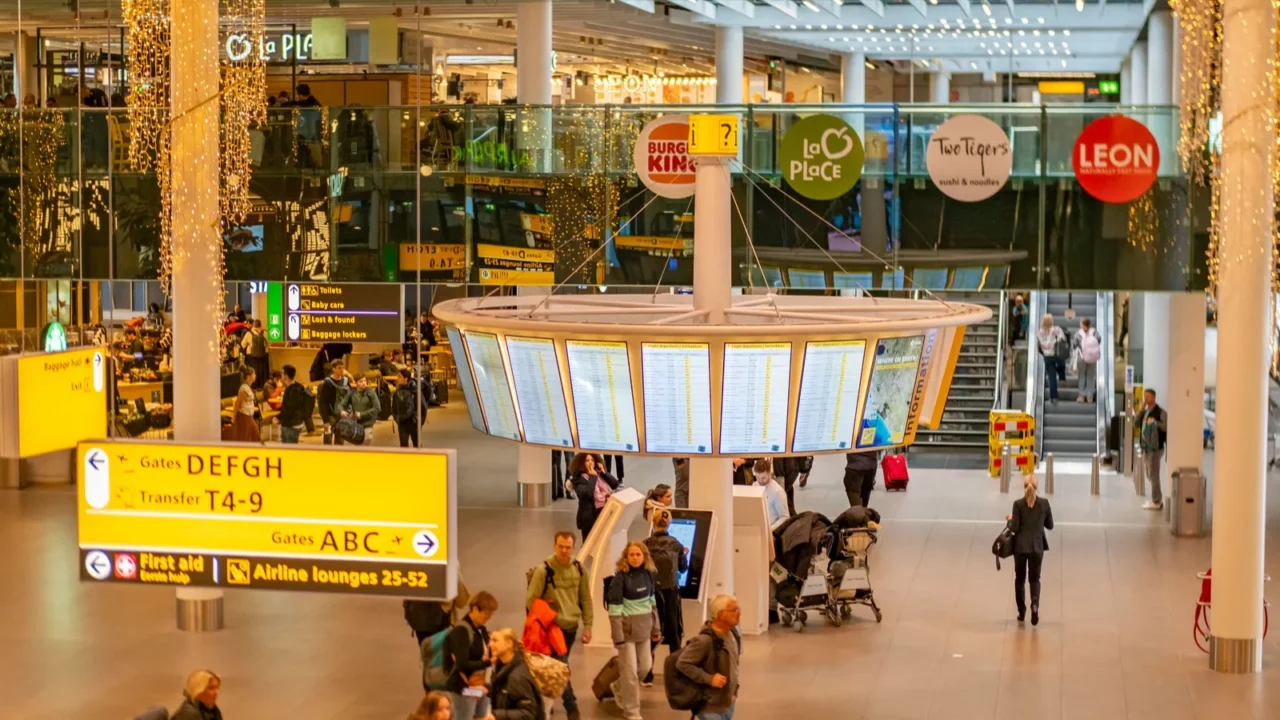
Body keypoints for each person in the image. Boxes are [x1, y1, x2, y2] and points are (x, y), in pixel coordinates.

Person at [525, 531, 592, 720]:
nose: (564, 550)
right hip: (552, 628)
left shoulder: (578, 569)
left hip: (571, 626)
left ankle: (545, 699)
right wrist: (549, 614)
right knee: (561, 665)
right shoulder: (543, 570)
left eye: (568, 547)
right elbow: (531, 600)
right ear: (554, 546)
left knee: (555, 666)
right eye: (560, 546)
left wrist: (588, 625)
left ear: (573, 547)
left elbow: (585, 598)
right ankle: (571, 707)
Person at [607, 542, 661, 720]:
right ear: (626, 557)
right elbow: (614, 612)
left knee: (645, 668)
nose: (635, 558)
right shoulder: (619, 579)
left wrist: (656, 628)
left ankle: (619, 686)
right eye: (632, 555)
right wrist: (618, 639)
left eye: (638, 554)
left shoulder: (648, 576)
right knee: (630, 673)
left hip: (644, 631)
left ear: (644, 556)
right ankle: (632, 711)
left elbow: (652, 604)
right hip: (626, 633)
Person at [675, 595, 741, 720]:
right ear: (721, 614)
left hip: (728, 704)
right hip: (710, 708)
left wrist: (734, 692)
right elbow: (682, 663)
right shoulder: (703, 641)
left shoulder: (732, 635)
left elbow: (734, 666)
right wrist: (709, 679)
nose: (738, 614)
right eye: (734, 610)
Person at [643, 509, 688, 685]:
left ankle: (647, 674)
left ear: (653, 523)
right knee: (674, 633)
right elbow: (683, 569)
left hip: (651, 593)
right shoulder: (676, 545)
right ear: (669, 523)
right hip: (671, 594)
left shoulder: (645, 544)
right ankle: (674, 674)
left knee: (651, 632)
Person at [1009, 476, 1054, 626]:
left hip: (1021, 547)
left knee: (1020, 579)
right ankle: (1035, 604)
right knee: (1034, 579)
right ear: (1037, 487)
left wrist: (1010, 519)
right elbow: (1050, 525)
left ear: (1024, 487)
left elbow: (1014, 528)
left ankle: (1022, 612)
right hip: (1037, 547)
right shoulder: (1044, 504)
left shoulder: (1018, 504)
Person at [446, 591, 498, 720]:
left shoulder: (481, 629)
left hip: (481, 685)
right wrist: (487, 663)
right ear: (474, 609)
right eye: (486, 613)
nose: (489, 617)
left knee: (481, 716)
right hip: (463, 688)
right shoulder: (461, 631)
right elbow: (462, 664)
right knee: (465, 717)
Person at [483, 628, 543, 720]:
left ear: (509, 644)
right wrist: (484, 689)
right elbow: (505, 693)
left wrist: (497, 715)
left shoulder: (517, 677)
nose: (490, 645)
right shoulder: (502, 667)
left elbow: (528, 714)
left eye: (495, 640)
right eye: (490, 640)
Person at [569, 452, 620, 540]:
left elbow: (615, 484)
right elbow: (586, 494)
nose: (591, 463)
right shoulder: (578, 479)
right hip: (590, 517)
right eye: (587, 460)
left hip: (605, 512)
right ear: (581, 463)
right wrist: (592, 477)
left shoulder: (599, 474)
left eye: (592, 460)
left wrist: (604, 472)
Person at [1135, 389, 1169, 510]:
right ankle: (1156, 497)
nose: (1146, 399)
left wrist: (1155, 422)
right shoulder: (1145, 412)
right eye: (1145, 396)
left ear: (1154, 398)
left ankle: (1157, 501)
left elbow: (1166, 427)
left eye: (1148, 396)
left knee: (1154, 474)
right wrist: (1140, 410)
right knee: (1149, 474)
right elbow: (1135, 424)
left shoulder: (1161, 412)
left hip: (1156, 448)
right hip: (1145, 447)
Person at [1036, 313, 1068, 403]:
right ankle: (1062, 378)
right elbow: (1063, 339)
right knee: (1062, 364)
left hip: (1047, 356)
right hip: (1056, 353)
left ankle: (1054, 397)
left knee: (1051, 377)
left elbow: (1038, 345)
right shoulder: (1056, 329)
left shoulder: (1039, 332)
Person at [340, 374, 381, 444]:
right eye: (361, 381)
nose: (364, 383)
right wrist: (342, 411)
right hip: (356, 425)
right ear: (356, 383)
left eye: (365, 381)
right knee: (357, 447)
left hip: (367, 424)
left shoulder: (370, 393)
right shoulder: (352, 393)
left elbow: (377, 408)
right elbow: (342, 404)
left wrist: (362, 414)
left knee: (365, 445)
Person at [318, 360, 351, 442]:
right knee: (328, 440)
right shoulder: (327, 382)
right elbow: (322, 402)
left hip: (342, 415)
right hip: (330, 416)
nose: (342, 370)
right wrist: (325, 420)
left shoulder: (345, 381)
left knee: (340, 441)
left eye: (343, 368)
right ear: (333, 369)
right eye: (339, 368)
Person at [394, 368, 429, 448]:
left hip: (414, 422)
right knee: (403, 446)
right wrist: (397, 418)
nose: (397, 379)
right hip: (402, 422)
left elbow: (423, 407)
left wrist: (419, 421)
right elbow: (394, 406)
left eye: (399, 377)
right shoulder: (398, 391)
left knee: (417, 445)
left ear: (406, 379)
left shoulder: (415, 391)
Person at [275, 365, 310, 444]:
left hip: (292, 425)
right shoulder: (293, 387)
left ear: (286, 376)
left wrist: (278, 417)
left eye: (282, 373)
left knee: (290, 450)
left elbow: (290, 408)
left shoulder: (295, 390)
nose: (281, 375)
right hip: (287, 423)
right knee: (285, 450)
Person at [753, 459, 790, 530]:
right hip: (756, 527)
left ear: (770, 474)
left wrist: (770, 530)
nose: (760, 481)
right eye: (757, 477)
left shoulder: (778, 492)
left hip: (771, 530)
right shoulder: (754, 486)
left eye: (763, 478)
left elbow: (785, 517)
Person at [1072, 318, 1102, 403]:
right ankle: (1090, 397)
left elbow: (1074, 344)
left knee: (1082, 376)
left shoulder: (1079, 333)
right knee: (1091, 376)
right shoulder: (1094, 332)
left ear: (1082, 324)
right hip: (1093, 358)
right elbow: (1099, 340)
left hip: (1082, 357)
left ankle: (1081, 396)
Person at [230, 367, 260, 443]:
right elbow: (237, 403)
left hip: (249, 416)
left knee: (256, 435)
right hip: (244, 416)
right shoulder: (243, 388)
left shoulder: (248, 387)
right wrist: (234, 418)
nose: (255, 375)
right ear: (249, 376)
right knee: (245, 438)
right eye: (254, 374)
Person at [240, 320, 270, 389]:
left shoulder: (249, 333)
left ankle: (253, 386)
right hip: (263, 356)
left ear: (253, 325)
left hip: (251, 357)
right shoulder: (264, 333)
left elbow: (242, 344)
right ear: (260, 325)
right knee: (262, 371)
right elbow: (268, 344)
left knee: (253, 371)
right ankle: (262, 386)